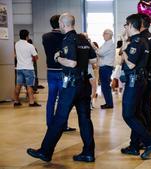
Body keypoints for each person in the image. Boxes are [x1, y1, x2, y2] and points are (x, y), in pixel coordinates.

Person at [27, 13, 97, 163]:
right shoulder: (83, 38)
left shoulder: (68, 39)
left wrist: (58, 58)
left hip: (71, 85)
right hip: (84, 84)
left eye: (60, 23)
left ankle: (45, 152)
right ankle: (88, 153)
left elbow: (71, 63)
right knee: (85, 119)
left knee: (59, 118)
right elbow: (94, 59)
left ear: (63, 24)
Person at [120, 14, 151, 160]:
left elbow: (130, 63)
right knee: (137, 113)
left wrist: (124, 50)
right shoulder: (146, 38)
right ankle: (136, 145)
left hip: (135, 80)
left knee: (129, 114)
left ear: (131, 25)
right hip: (141, 79)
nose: (124, 27)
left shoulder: (138, 41)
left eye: (126, 25)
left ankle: (150, 141)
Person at [42, 15, 75, 131]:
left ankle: (50, 124)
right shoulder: (65, 36)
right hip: (63, 71)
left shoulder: (45, 37)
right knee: (63, 100)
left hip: (50, 70)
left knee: (51, 98)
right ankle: (63, 125)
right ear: (61, 23)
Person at [139, 13, 151, 140]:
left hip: (144, 74)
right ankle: (149, 133)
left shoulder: (142, 38)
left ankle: (144, 137)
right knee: (146, 106)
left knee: (140, 108)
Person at [14, 29, 41, 107]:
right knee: (29, 85)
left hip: (19, 68)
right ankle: (31, 102)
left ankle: (16, 101)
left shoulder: (17, 44)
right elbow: (36, 57)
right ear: (27, 36)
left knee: (18, 85)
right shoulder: (30, 46)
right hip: (28, 68)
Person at [95, 29, 115, 109]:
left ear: (109, 35)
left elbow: (100, 52)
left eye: (105, 34)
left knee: (105, 86)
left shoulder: (109, 44)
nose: (103, 35)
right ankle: (108, 103)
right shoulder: (106, 43)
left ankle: (109, 104)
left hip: (106, 67)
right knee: (104, 86)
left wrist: (94, 47)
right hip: (104, 67)